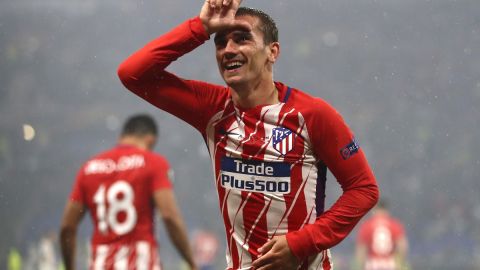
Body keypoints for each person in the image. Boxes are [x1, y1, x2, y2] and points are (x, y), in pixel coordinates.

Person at [118, 1, 379, 269]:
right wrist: (201, 27)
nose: (228, 50)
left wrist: (300, 243)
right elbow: (132, 74)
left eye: (242, 39)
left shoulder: (312, 114)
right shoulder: (211, 109)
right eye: (220, 43)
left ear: (272, 51)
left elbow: (363, 189)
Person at [59, 114, 197, 270]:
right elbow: (169, 217)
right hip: (142, 263)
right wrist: (190, 261)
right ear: (150, 140)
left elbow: (67, 227)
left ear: (122, 136)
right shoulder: (153, 163)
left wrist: (69, 267)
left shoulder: (89, 168)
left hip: (101, 264)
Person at [355, 200, 409, 270]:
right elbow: (402, 246)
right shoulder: (394, 225)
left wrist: (361, 265)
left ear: (375, 210)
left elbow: (361, 249)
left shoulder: (367, 225)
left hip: (373, 264)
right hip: (390, 264)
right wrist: (400, 262)